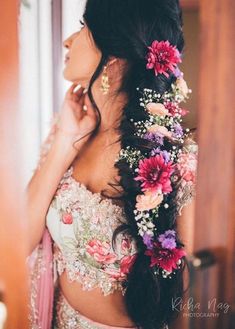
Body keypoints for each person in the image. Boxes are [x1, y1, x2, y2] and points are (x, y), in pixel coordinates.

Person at [26, 1, 198, 328]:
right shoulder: (69, 130)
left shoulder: (177, 161)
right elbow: (18, 240)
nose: (68, 41)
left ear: (114, 56)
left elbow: (186, 301)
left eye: (83, 26)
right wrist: (64, 141)